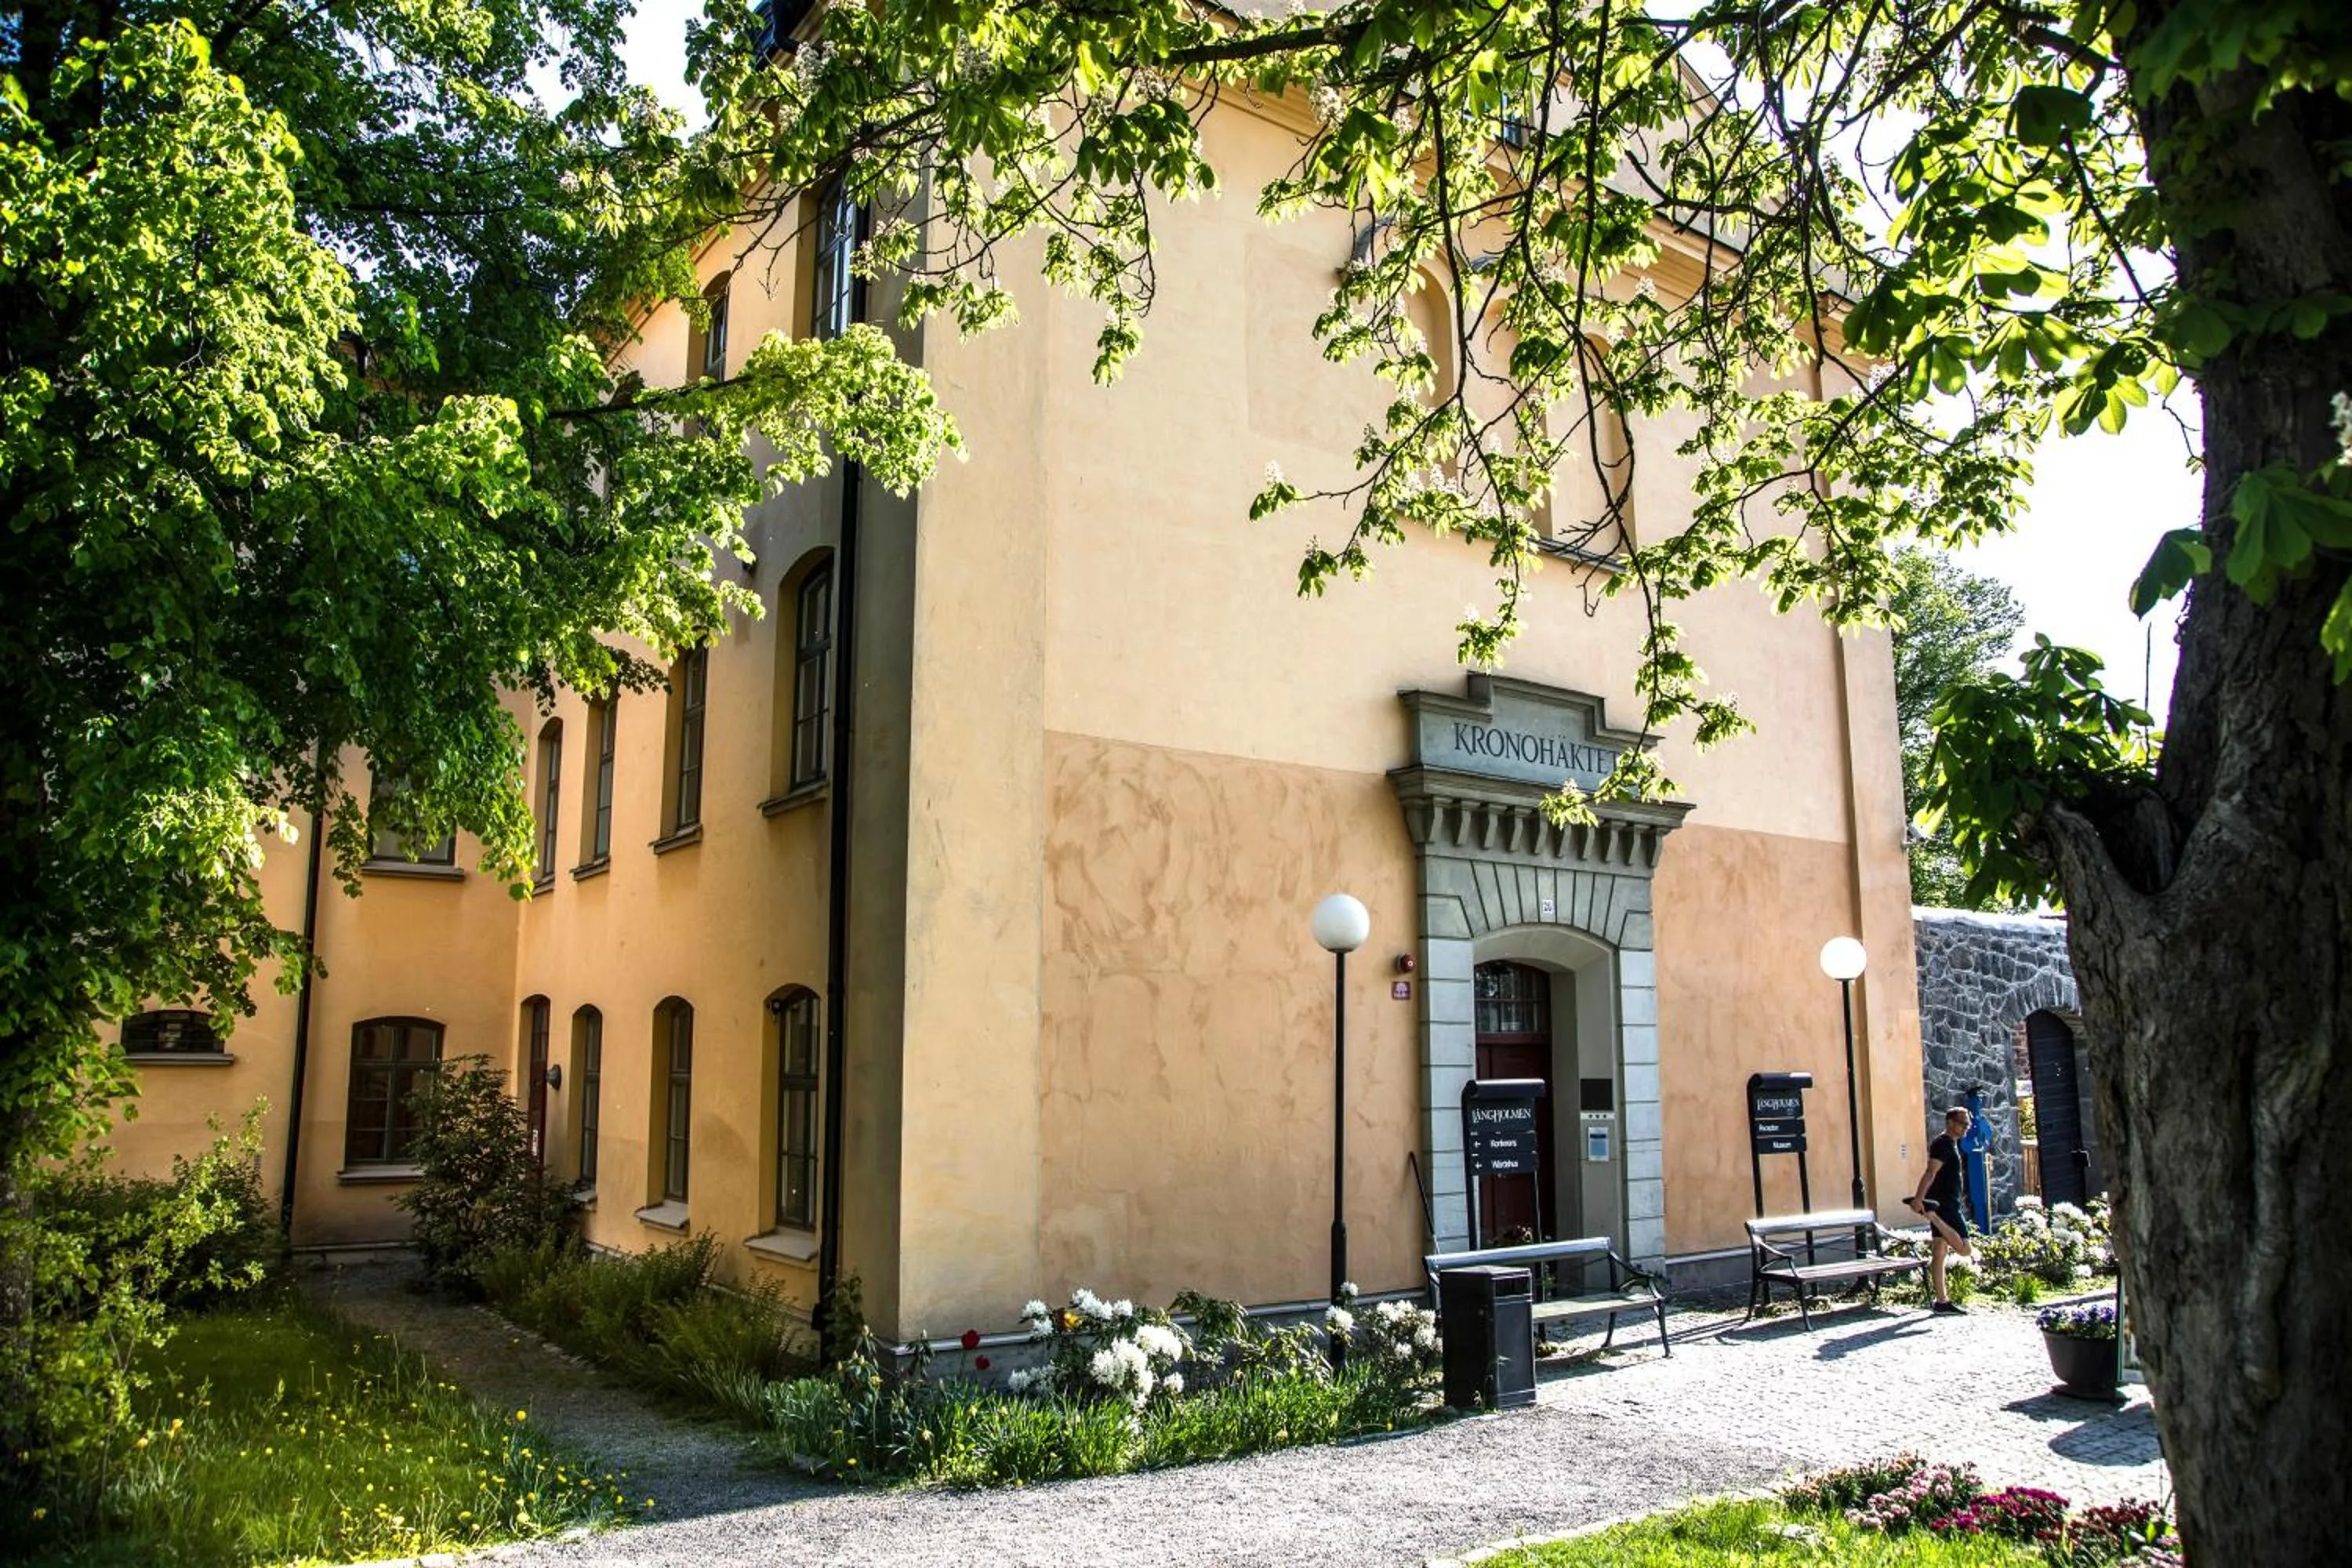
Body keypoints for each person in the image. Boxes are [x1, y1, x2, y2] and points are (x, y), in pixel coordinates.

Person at [1905, 1105, 1976, 1314]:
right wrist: (1919, 1199)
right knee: (1965, 1249)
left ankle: (1941, 1301)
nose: (1966, 1128)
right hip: (1945, 1205)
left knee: (1939, 1251)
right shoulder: (1943, 1145)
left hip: (1947, 1201)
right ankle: (1932, 1217)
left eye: (1967, 1124)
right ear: (1951, 1123)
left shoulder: (1951, 1144)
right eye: (1963, 1124)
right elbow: (1930, 1172)